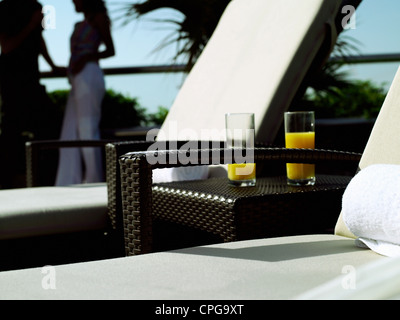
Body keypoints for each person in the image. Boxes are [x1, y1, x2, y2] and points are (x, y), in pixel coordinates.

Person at [0, 0, 62, 189]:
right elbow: (7, 47)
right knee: (11, 131)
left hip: (32, 81)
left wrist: (52, 66)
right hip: (11, 82)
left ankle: (45, 178)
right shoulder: (4, 8)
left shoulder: (36, 5)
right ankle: (9, 181)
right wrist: (31, 25)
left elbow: (39, 40)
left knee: (50, 126)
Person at [55, 0, 115, 186]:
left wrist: (87, 58)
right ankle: (67, 181)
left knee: (88, 129)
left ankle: (94, 180)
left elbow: (110, 50)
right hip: (77, 78)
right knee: (70, 130)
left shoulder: (99, 19)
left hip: (89, 74)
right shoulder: (79, 24)